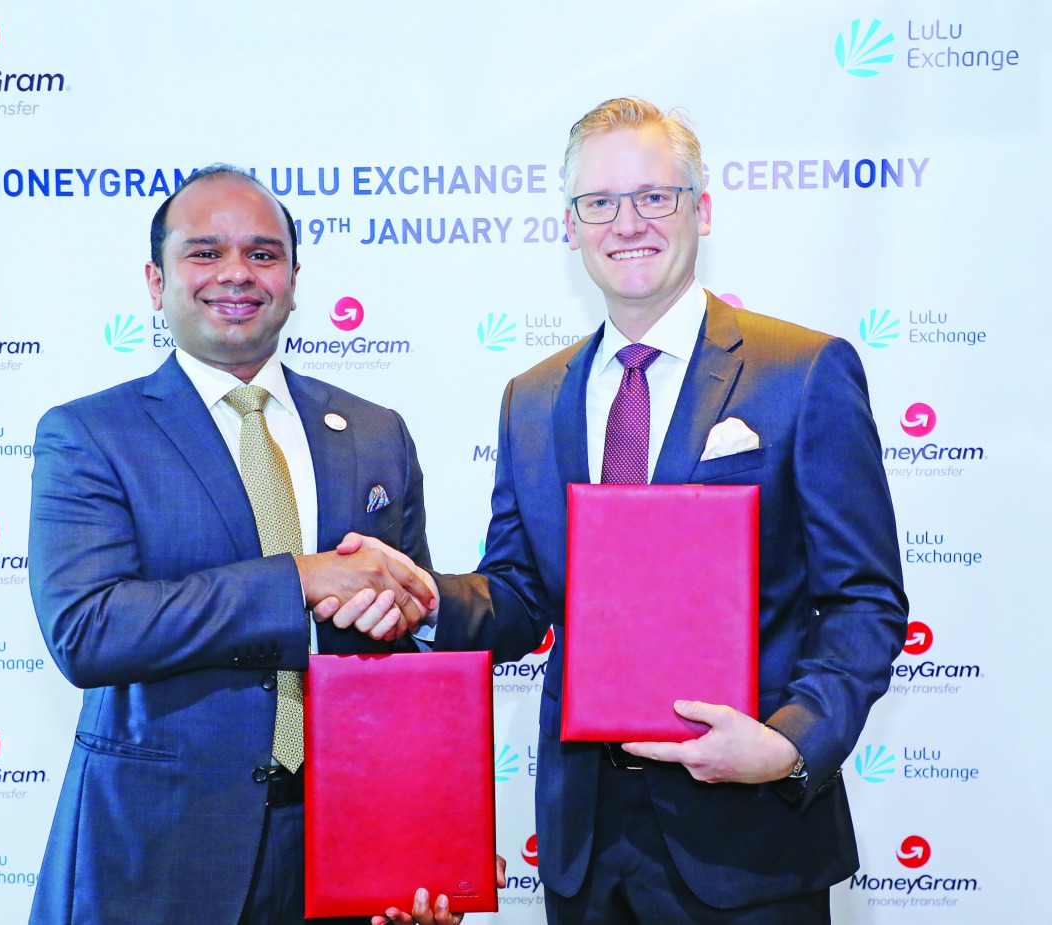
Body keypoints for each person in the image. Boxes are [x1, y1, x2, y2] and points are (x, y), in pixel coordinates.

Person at [343, 98, 908, 923]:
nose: (626, 222)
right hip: (584, 843)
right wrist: (424, 597)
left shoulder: (804, 370)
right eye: (598, 202)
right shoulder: (531, 399)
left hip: (750, 842)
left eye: (654, 196)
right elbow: (523, 592)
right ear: (570, 225)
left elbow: (864, 599)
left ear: (701, 209)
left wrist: (789, 743)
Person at [27, 164, 459, 925]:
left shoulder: (373, 431)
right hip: (162, 848)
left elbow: (403, 663)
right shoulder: (92, 434)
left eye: (264, 254)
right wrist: (296, 578)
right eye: (205, 252)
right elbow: (87, 629)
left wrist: (424, 838)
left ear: (294, 280)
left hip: (346, 842)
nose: (237, 273)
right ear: (157, 283)